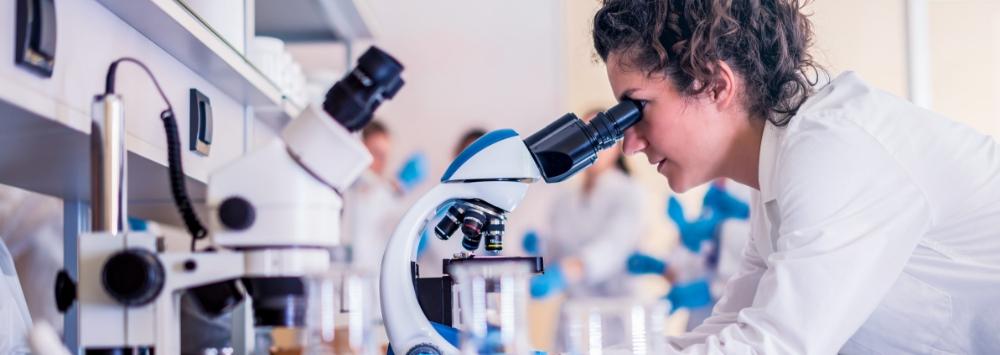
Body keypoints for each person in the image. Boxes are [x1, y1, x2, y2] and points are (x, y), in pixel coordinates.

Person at [593, 0, 1000, 353]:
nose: (630, 144)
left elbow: (776, 346)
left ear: (716, 85)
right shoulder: (780, 166)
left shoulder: (836, 148)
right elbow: (733, 329)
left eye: (638, 109)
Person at [526, 110, 646, 299]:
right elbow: (557, 250)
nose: (592, 143)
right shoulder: (565, 199)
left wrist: (564, 273)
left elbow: (611, 248)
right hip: (573, 309)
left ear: (616, 145)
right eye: (584, 136)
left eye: (600, 136)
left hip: (615, 310)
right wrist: (540, 246)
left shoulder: (628, 192)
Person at [627, 179, 751, 330]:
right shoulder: (712, 193)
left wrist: (717, 229)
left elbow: (749, 263)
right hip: (700, 321)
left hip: (734, 323)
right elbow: (700, 258)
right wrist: (664, 268)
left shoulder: (751, 188)